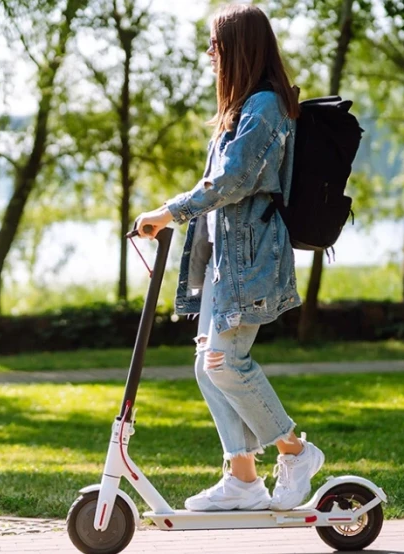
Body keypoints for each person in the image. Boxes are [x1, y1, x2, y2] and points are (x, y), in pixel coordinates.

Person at [134, 3, 323, 512]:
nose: (209, 55)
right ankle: (243, 479)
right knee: (207, 365)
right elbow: (217, 188)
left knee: (225, 363)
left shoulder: (264, 107)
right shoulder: (242, 109)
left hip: (252, 259)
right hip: (224, 261)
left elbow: (231, 182)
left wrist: (168, 211)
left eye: (215, 45)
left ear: (239, 47)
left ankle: (296, 451)